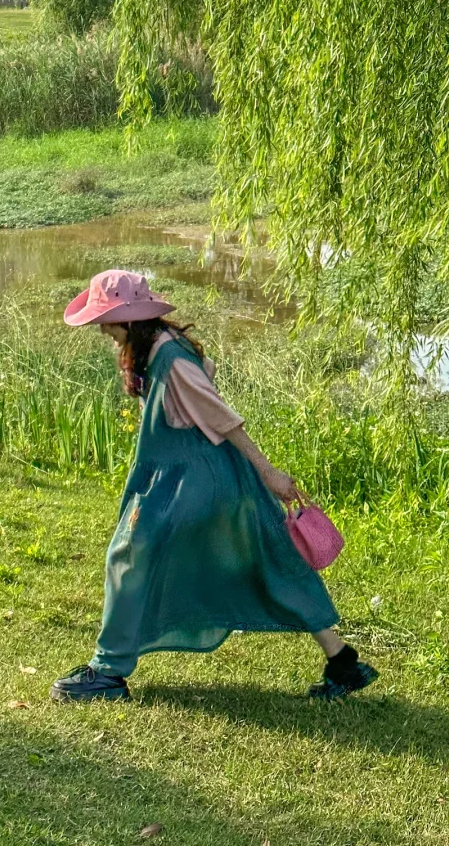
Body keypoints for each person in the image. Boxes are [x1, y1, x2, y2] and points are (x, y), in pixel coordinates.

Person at [50, 270, 378, 703]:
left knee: (129, 556)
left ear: (129, 319)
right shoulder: (158, 348)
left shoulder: (172, 360)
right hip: (198, 474)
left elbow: (222, 417)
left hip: (196, 479)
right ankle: (343, 661)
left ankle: (107, 673)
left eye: (106, 321)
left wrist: (268, 472)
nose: (102, 330)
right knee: (263, 561)